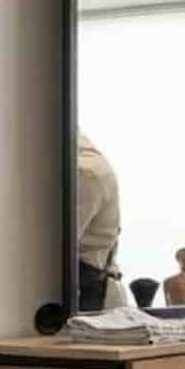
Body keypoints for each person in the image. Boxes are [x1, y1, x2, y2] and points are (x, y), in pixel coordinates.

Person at [77, 132, 124, 310]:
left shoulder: (84, 171)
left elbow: (52, 251)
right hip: (86, 281)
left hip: (84, 289)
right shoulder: (87, 165)